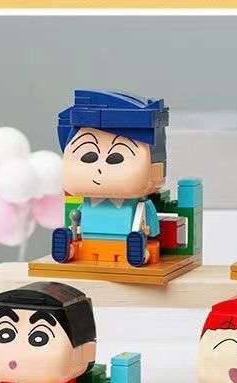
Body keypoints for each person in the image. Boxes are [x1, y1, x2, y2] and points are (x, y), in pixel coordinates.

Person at [51, 90, 169, 267]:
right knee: (76, 243)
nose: (99, 168)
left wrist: (145, 233)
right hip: (88, 244)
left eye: (116, 158)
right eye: (88, 157)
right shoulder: (87, 201)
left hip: (126, 244)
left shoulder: (141, 206)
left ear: (155, 166)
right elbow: (76, 217)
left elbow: (153, 230)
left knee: (146, 249)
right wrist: (73, 227)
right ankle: (68, 249)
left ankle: (138, 253)